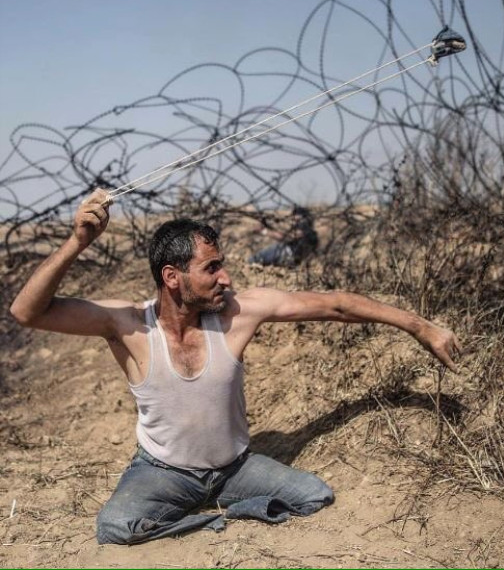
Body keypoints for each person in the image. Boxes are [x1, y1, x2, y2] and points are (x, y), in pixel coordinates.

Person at [9, 188, 462, 545]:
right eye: (212, 268)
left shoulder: (237, 313)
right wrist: (77, 242)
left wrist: (420, 327)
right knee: (115, 527)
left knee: (315, 496)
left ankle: (228, 504)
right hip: (164, 471)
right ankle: (213, 520)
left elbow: (337, 306)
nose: (226, 276)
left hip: (234, 468)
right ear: (173, 277)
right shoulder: (127, 325)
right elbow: (27, 312)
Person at [249, 205, 318, 267]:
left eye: (295, 217)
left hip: (288, 254)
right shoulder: (311, 232)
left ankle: (253, 261)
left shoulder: (303, 226)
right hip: (295, 259)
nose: (293, 220)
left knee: (273, 249)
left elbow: (287, 237)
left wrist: (264, 231)